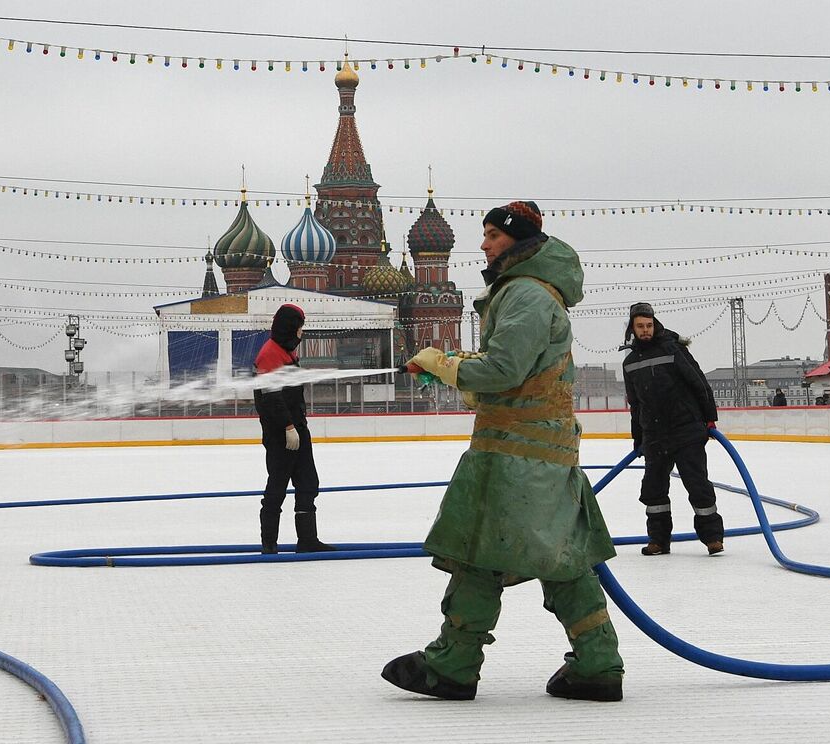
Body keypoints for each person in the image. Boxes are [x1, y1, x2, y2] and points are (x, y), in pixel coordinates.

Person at [388, 201, 623, 703]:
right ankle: (597, 663)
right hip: (540, 451)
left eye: (493, 234)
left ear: (517, 242)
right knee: (561, 560)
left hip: (515, 457)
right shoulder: (532, 295)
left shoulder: (525, 295)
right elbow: (518, 374)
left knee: (479, 554)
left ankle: (453, 663)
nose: (484, 243)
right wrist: (454, 370)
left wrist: (450, 365)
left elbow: (502, 370)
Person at [623, 303, 723, 555]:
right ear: (632, 329)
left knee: (697, 485)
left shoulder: (673, 349)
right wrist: (639, 439)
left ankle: (712, 538)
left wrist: (709, 418)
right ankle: (658, 541)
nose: (645, 330)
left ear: (655, 325)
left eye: (648, 325)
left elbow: (698, 381)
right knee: (653, 490)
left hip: (686, 429)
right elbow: (635, 404)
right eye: (640, 326)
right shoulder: (631, 362)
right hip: (654, 435)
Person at [253, 303, 335, 554]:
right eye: (300, 328)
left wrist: (297, 426)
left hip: (297, 428)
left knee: (307, 482)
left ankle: (308, 539)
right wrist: (287, 427)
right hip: (281, 433)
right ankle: (269, 544)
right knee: (277, 487)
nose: (302, 333)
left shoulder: (286, 352)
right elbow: (270, 398)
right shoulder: (270, 354)